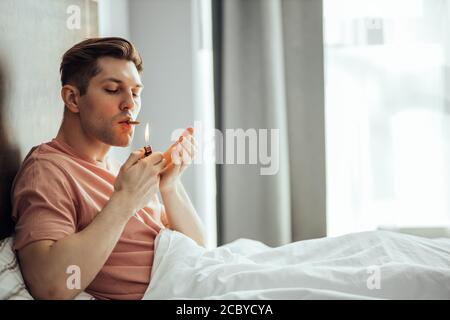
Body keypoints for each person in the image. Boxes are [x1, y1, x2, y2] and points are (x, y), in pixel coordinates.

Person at [10, 37, 205, 300]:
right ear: (73, 98)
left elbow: (200, 252)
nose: (130, 104)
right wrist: (124, 201)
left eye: (135, 93)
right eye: (113, 90)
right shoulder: (47, 170)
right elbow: (51, 285)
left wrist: (170, 186)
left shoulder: (118, 169)